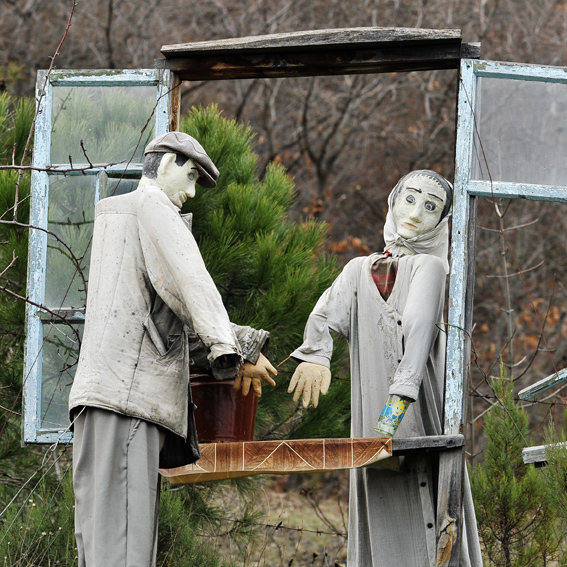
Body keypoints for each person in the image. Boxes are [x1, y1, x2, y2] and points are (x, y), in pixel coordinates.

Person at [69, 131, 277, 567]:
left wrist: (244, 345)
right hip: (129, 400)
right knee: (124, 546)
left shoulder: (116, 214)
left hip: (99, 396)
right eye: (191, 176)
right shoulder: (152, 207)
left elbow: (158, 316)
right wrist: (233, 349)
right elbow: (190, 287)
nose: (191, 191)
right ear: (164, 164)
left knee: (99, 538)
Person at [288, 170, 482, 567]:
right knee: (377, 498)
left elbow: (417, 333)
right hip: (369, 405)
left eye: (431, 207)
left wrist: (392, 416)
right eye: (409, 199)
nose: (415, 212)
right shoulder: (359, 269)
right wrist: (315, 355)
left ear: (442, 220)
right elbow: (325, 313)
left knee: (424, 500)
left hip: (413, 408)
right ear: (393, 201)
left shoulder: (430, 267)